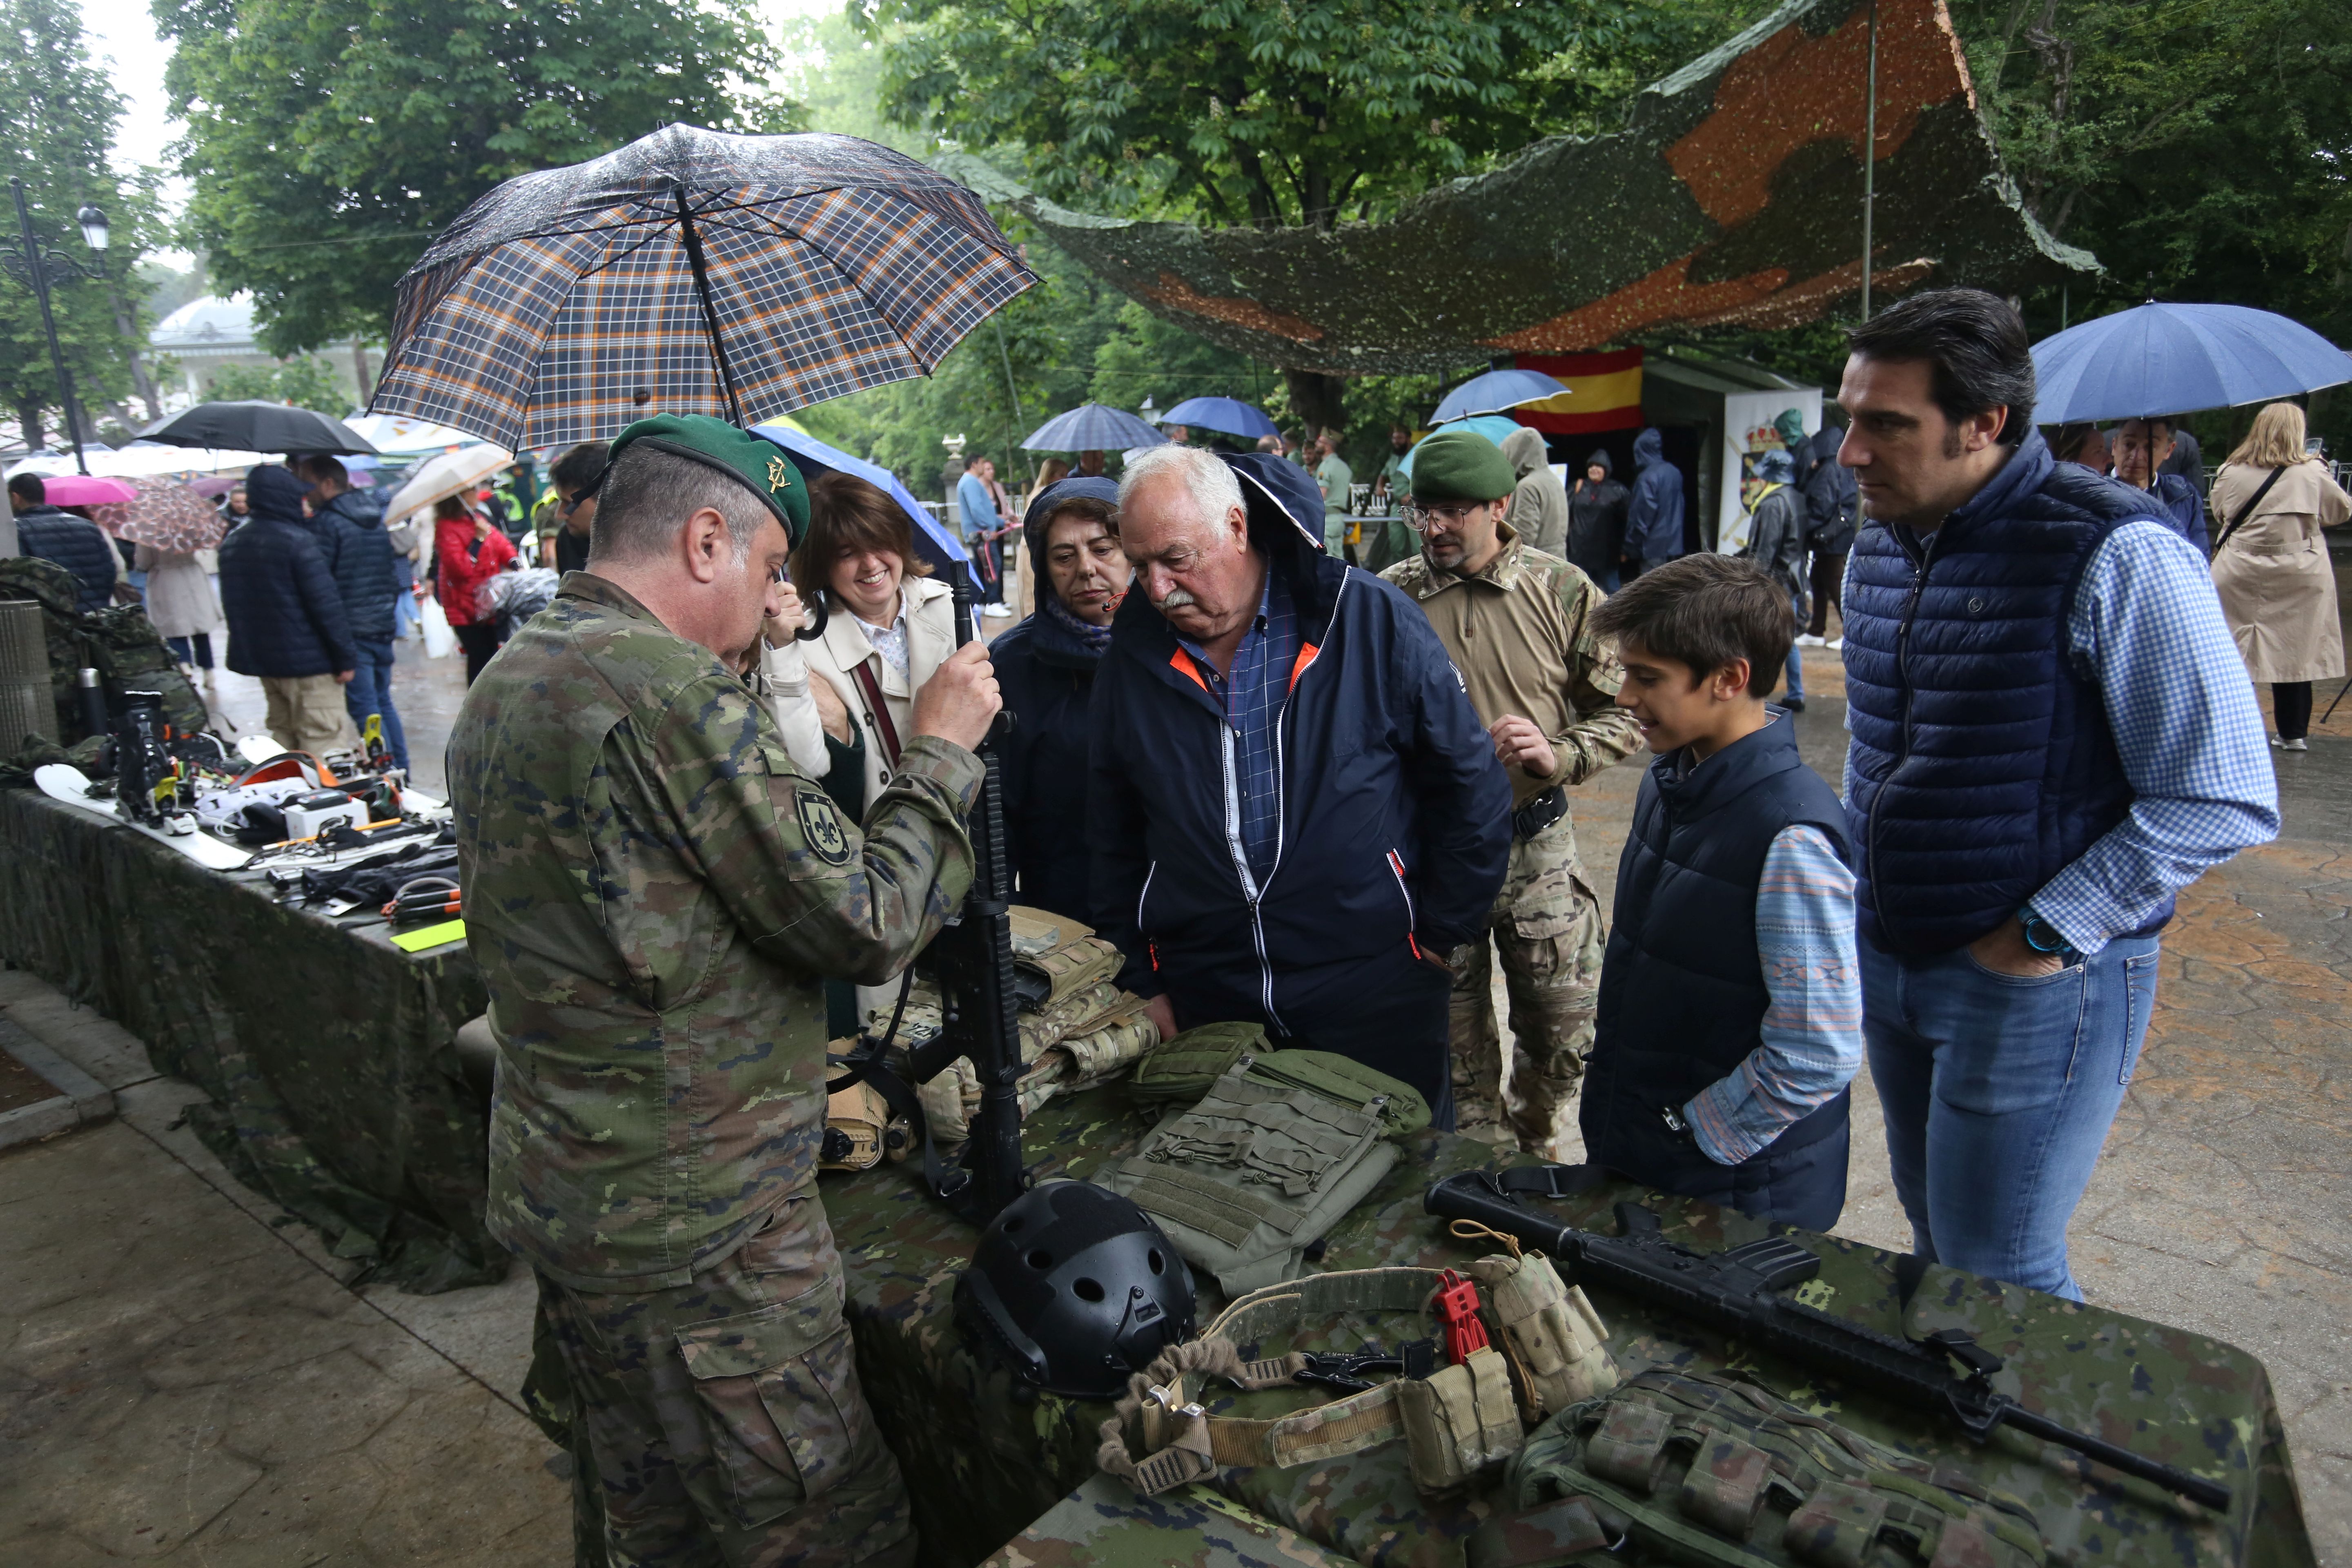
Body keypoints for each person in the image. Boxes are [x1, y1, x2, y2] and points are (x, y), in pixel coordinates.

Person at [447, 413, 999, 1567]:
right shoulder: (671, 697)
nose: (766, 600)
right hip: (708, 1237)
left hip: (581, 1205)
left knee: (652, 1521)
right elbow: (869, 922)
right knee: (818, 1524)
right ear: (706, 540)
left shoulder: (514, 677)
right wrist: (940, 752)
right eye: (763, 567)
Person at [1840, 288, 2277, 1299]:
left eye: (1885, 425)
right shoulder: (1882, 538)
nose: (1848, 454)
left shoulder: (2113, 548)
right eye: (1848, 418)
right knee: (1935, 1229)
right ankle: (1941, 1443)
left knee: (1999, 1269)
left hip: (2036, 979)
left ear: (1982, 424)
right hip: (1894, 952)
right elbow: (1890, 751)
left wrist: (2039, 935)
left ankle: (2048, 1453)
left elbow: (2221, 792)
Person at [1089, 445, 1510, 1120]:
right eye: (1139, 565)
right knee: (1234, 1192)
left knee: (1395, 1186)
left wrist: (1433, 934)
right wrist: (1142, 977)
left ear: (1235, 526)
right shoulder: (1132, 656)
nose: (1157, 588)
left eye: (1175, 558)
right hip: (1211, 997)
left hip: (1376, 988)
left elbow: (1471, 787)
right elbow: (1110, 831)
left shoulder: (1368, 619)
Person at [1381, 429, 1640, 1156]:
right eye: (1422, 510)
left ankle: (1534, 1141)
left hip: (1537, 846)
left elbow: (1628, 710)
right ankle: (1489, 1181)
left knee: (1565, 1032)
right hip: (1433, 854)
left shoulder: (1561, 590)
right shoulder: (1392, 598)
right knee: (1453, 1048)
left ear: (1501, 506)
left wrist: (1559, 754)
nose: (1433, 527)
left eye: (1452, 511)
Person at [1583, 552, 1860, 1229]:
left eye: (1647, 678)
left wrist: (1696, 1135)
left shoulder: (1788, 836)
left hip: (1731, 1196)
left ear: (1729, 679)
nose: (1623, 697)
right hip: (1651, 1154)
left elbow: (1817, 1051)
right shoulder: (1674, 779)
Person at [991, 477, 1127, 922]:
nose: (1086, 569)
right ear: (1045, 568)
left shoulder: (1179, 641)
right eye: (1064, 557)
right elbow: (994, 821)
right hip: (1064, 918)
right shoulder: (1011, 665)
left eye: (1103, 549)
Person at [2209, 401, 2350, 752]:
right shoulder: (2313, 473)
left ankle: (2229, 727)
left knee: (2234, 648)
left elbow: (2219, 511)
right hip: (2299, 572)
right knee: (2295, 651)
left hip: (2239, 570)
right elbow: (2340, 511)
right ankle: (2292, 732)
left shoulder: (2231, 470)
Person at [217, 465, 358, 753]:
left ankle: (294, 795)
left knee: (284, 738)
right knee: (325, 740)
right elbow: (325, 606)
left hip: (267, 664)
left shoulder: (233, 542)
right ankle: (325, 798)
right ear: (283, 498)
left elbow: (235, 609)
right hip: (311, 666)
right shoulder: (297, 541)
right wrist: (345, 658)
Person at [298, 457, 408, 772]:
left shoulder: (326, 524)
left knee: (366, 708)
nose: (305, 493)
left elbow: (321, 586)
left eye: (309, 484)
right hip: (380, 623)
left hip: (352, 629)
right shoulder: (372, 517)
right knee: (382, 703)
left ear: (328, 484)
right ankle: (401, 771)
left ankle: (388, 775)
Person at [1736, 447, 1809, 712]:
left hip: (1776, 582)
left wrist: (1752, 584)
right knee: (1788, 641)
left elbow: (1765, 553)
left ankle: (1754, 695)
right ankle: (1796, 693)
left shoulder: (1772, 503)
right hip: (1793, 579)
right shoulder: (1796, 498)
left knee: (1762, 638)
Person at [434, 494, 516, 684]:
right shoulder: (446, 528)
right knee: (479, 659)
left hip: (487, 603)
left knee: (492, 657)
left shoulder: (475, 518)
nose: (476, 493)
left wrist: (514, 562)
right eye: (470, 490)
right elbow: (460, 570)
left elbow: (500, 542)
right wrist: (478, 540)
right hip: (464, 608)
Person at [9, 474, 119, 611]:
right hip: (95, 616)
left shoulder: (18, 531)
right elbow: (109, 572)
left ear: (15, 498)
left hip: (55, 619)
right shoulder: (88, 526)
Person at [2110, 416, 2209, 553]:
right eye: (2129, 444)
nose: (2136, 456)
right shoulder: (2094, 494)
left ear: (2169, 450)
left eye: (2150, 447)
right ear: (2114, 446)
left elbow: (2199, 554)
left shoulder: (2183, 495)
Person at [1796, 422, 1856, 648]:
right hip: (1833, 536)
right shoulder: (1839, 467)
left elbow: (1823, 504)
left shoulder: (1829, 469)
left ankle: (1850, 633)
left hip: (1830, 538)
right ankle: (1816, 630)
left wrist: (1805, 526)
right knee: (1819, 583)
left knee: (1834, 585)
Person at [136, 541, 223, 681]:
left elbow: (144, 562)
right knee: (200, 626)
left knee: (173, 625)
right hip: (193, 574)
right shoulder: (189, 525)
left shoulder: (149, 531)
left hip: (166, 579)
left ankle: (183, 663)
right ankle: (209, 670)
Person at [1622, 427, 1685, 577]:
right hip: (1674, 546)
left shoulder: (1647, 478)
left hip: (1653, 549)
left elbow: (1641, 517)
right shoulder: (1674, 472)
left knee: (1652, 594)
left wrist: (1629, 549)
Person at [1499, 426, 1569, 559]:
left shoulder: (1528, 486)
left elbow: (1524, 538)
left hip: (1535, 567)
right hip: (1558, 563)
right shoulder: (1553, 480)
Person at [1565, 448, 1629, 590]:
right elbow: (1564, 513)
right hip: (1579, 553)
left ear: (1606, 469)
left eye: (1599, 466)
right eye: (1591, 466)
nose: (1594, 469)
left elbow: (1626, 522)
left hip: (1606, 554)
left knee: (1612, 591)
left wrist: (1625, 549)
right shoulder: (1577, 487)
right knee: (1577, 590)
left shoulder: (1618, 491)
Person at [954, 453, 1007, 612]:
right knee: (992, 565)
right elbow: (977, 509)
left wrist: (1002, 522)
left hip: (978, 532)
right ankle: (993, 601)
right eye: (982, 464)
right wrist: (990, 527)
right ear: (974, 464)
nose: (984, 467)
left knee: (981, 567)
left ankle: (983, 601)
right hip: (981, 533)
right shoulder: (971, 483)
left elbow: (984, 510)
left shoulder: (969, 482)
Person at [546, 441, 606, 577]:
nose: (560, 515)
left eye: (571, 504)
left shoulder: (650, 543)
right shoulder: (568, 538)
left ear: (607, 500)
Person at [1309, 427, 1354, 558]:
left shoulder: (1326, 467)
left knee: (1326, 560)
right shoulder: (1343, 466)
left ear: (1328, 447)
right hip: (1339, 519)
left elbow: (1320, 496)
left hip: (1327, 520)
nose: (1316, 445)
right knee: (1339, 559)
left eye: (1320, 442)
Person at [1372, 423, 1412, 505]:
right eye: (1394, 438)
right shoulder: (1393, 458)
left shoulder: (1416, 456)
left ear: (1408, 439)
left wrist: (1412, 496)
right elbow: (1383, 475)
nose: (1396, 442)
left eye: (1400, 438)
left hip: (1416, 504)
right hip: (1398, 504)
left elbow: (1427, 483)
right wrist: (1379, 487)